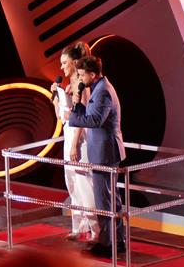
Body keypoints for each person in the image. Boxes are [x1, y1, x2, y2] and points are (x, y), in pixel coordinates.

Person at [69, 55, 127, 258]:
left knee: (104, 201)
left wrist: (74, 113)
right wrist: (79, 105)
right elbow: (93, 115)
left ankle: (107, 244)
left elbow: (95, 120)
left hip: (105, 153)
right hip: (104, 150)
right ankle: (117, 240)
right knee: (111, 199)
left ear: (92, 74)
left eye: (82, 75)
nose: (80, 78)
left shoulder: (103, 91)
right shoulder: (99, 88)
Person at [49, 42, 99, 241]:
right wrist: (56, 98)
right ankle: (79, 226)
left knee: (84, 183)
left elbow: (82, 117)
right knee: (72, 183)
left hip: (81, 138)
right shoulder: (67, 85)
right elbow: (61, 117)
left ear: (75, 62)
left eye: (65, 63)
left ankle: (96, 229)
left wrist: (74, 145)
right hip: (68, 133)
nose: (61, 67)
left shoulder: (82, 85)